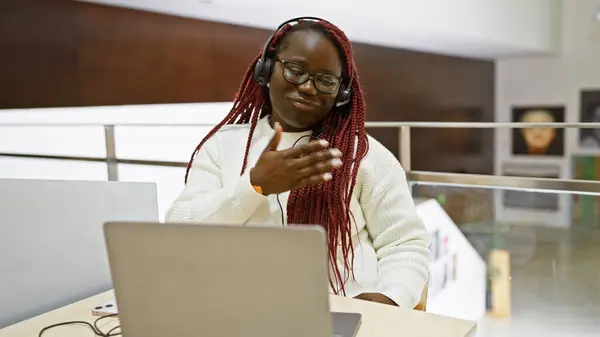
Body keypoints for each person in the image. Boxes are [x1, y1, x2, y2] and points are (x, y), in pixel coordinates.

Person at [166, 17, 430, 308]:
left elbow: (405, 244)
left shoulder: (365, 155)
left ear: (341, 93)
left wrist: (388, 300)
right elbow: (179, 229)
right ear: (266, 69)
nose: (307, 87)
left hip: (341, 312)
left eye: (325, 80)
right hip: (236, 308)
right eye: (295, 71)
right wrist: (254, 186)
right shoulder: (223, 145)